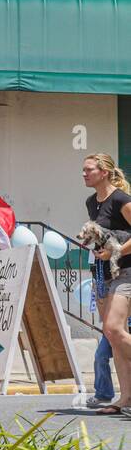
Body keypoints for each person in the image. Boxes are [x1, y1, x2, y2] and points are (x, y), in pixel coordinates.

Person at [81, 153, 131, 417]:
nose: (84, 174)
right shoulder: (92, 202)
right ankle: (125, 398)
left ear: (104, 172)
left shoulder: (122, 199)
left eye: (89, 169)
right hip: (104, 273)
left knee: (112, 328)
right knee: (114, 335)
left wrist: (117, 253)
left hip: (127, 271)